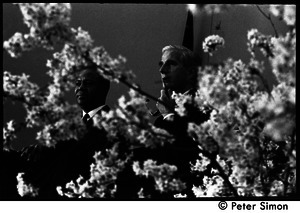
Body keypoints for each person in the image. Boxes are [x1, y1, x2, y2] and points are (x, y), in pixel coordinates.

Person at [1, 65, 111, 200]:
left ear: (103, 88)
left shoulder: (111, 123)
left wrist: (48, 150)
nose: (80, 88)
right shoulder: (71, 122)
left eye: (88, 83)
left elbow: (77, 156)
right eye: (78, 83)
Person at [152, 45, 211, 198]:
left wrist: (168, 116)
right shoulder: (161, 119)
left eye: (171, 64)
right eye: (161, 65)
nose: (162, 70)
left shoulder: (204, 110)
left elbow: (185, 153)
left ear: (191, 72)